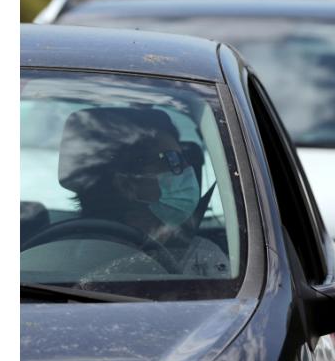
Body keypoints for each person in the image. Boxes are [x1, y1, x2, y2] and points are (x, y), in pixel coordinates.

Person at [57, 107, 230, 278]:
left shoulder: (202, 259)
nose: (187, 169)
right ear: (127, 184)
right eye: (171, 160)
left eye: (183, 158)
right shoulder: (62, 255)